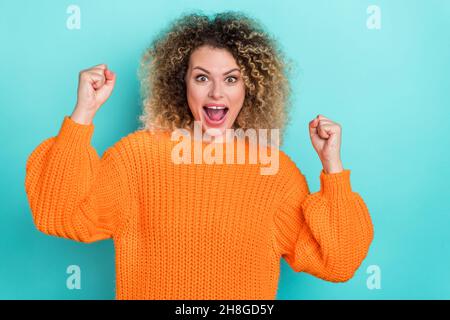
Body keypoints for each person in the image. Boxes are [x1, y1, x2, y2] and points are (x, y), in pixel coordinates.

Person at [24, 11, 374, 300]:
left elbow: (338, 262)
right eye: (202, 77)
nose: (217, 92)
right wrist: (83, 112)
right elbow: (60, 213)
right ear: (183, 84)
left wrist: (332, 167)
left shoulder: (275, 173)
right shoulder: (138, 158)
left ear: (250, 88)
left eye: (231, 79)